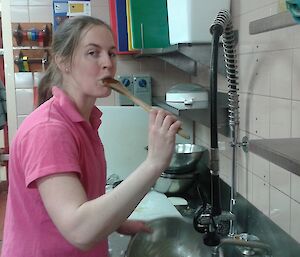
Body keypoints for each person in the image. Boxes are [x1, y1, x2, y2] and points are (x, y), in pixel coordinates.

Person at [1, 16, 181, 257]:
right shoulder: (49, 130)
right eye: (93, 53)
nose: (107, 63)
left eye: (111, 53)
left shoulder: (84, 122)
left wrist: (115, 223)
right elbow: (80, 230)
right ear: (63, 61)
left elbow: (81, 197)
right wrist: (154, 163)